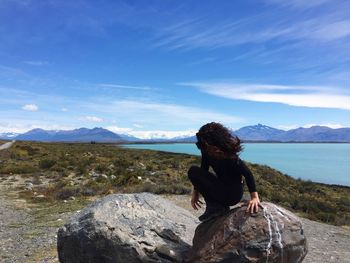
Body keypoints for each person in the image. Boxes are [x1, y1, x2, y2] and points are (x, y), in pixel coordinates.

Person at [187, 122, 261, 222]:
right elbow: (203, 170)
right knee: (193, 171)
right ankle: (215, 207)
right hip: (221, 188)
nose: (209, 149)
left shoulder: (230, 156)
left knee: (194, 171)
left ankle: (216, 208)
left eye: (209, 146)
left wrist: (254, 197)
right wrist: (195, 193)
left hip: (233, 194)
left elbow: (248, 174)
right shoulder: (206, 150)